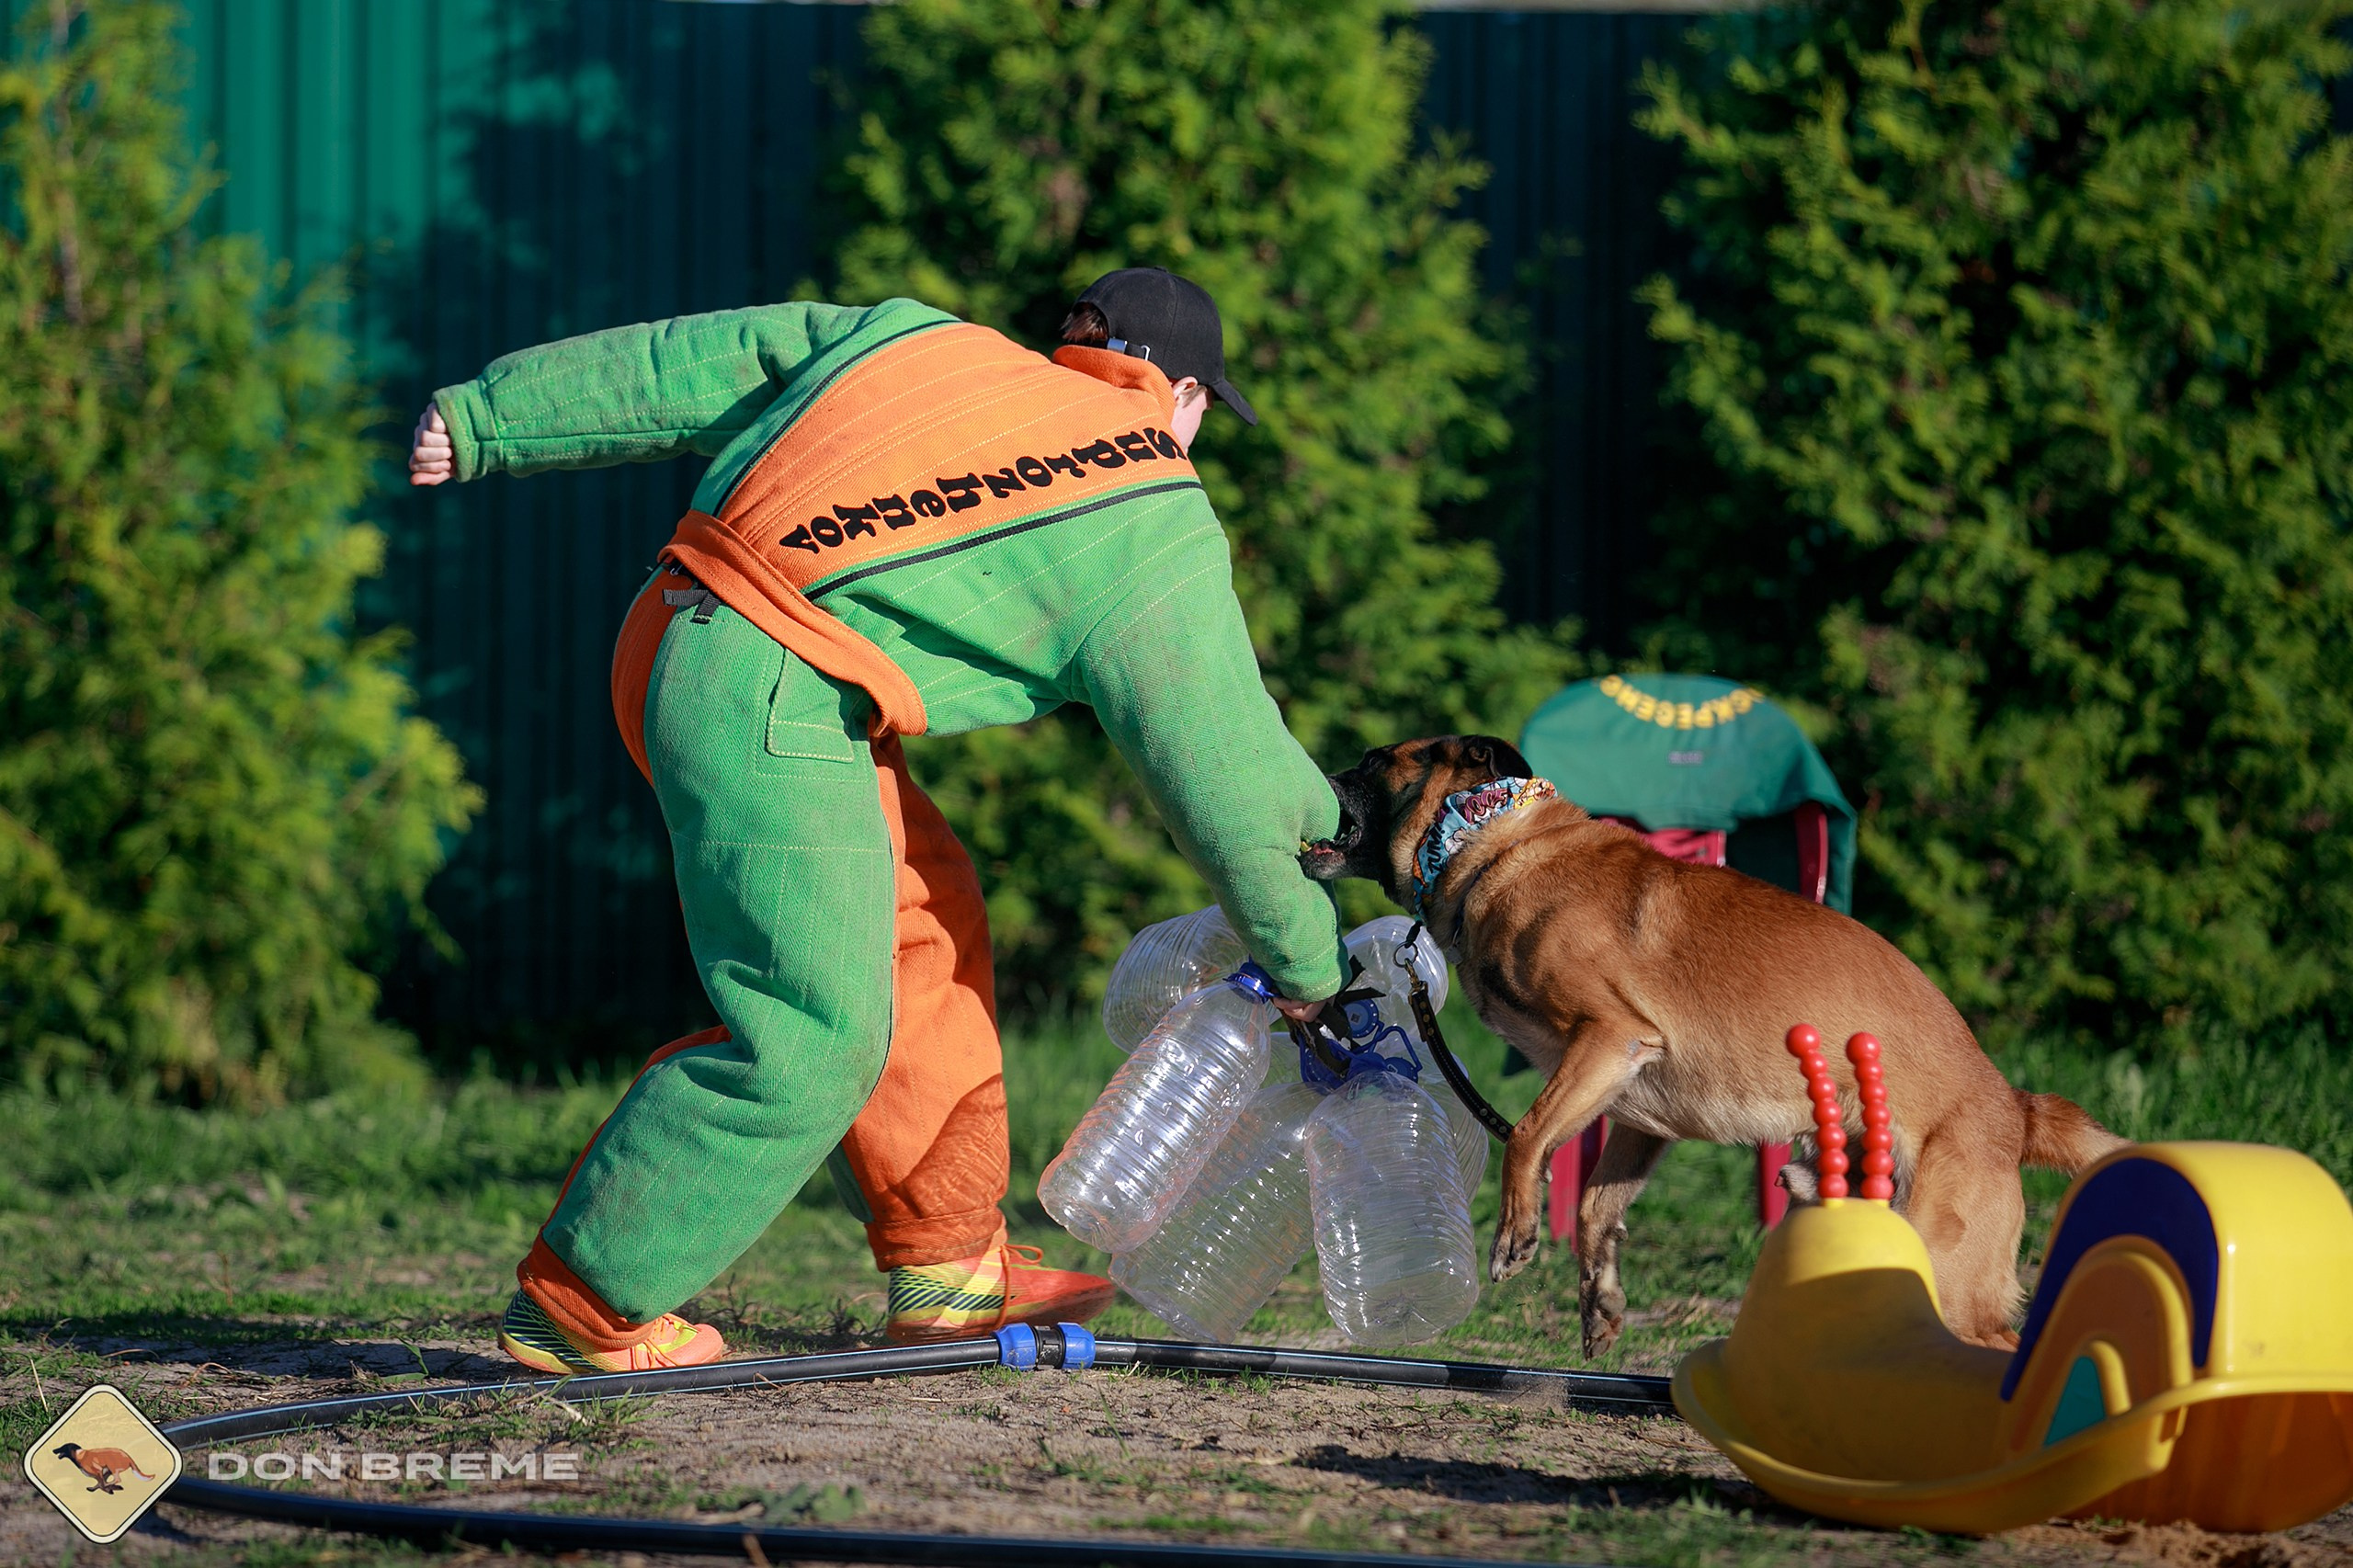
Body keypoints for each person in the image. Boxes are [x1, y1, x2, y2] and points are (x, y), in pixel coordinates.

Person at [409, 267, 1347, 1372]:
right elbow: (1225, 773)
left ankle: (949, 1269)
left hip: (683, 633)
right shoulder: (1151, 506)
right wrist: (1306, 959)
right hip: (767, 688)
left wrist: (487, 418)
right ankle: (582, 1307)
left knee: (924, 927)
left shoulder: (923, 343)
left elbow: (701, 358)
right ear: (1182, 397)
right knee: (813, 1029)